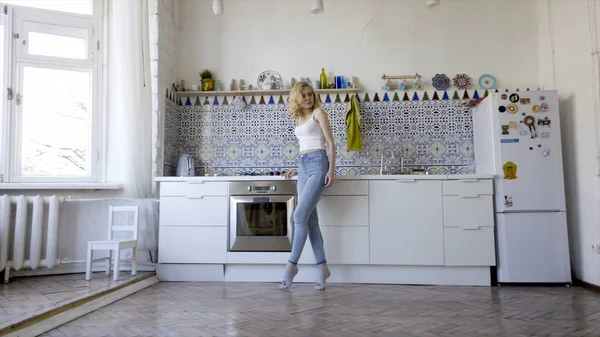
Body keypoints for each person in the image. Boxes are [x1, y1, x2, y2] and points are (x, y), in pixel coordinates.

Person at [280, 81, 336, 291]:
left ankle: (291, 265)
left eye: (310, 94)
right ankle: (322, 269)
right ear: (297, 98)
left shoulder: (318, 113)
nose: (308, 98)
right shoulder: (299, 117)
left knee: (298, 216)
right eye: (303, 95)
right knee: (310, 220)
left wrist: (330, 170)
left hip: (319, 164)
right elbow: (305, 145)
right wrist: (297, 169)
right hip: (303, 166)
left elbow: (330, 142)